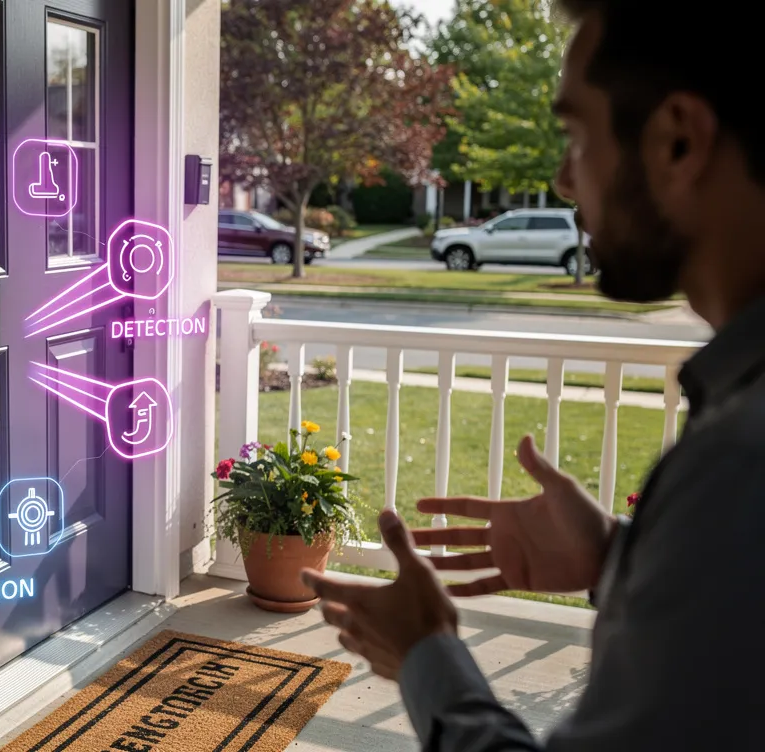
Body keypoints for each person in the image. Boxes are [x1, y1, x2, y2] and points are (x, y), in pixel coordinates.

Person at [303, 0, 765, 749]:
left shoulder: (740, 468)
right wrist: (619, 558)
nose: (560, 181)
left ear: (678, 142)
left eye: (576, 136)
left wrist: (428, 659)